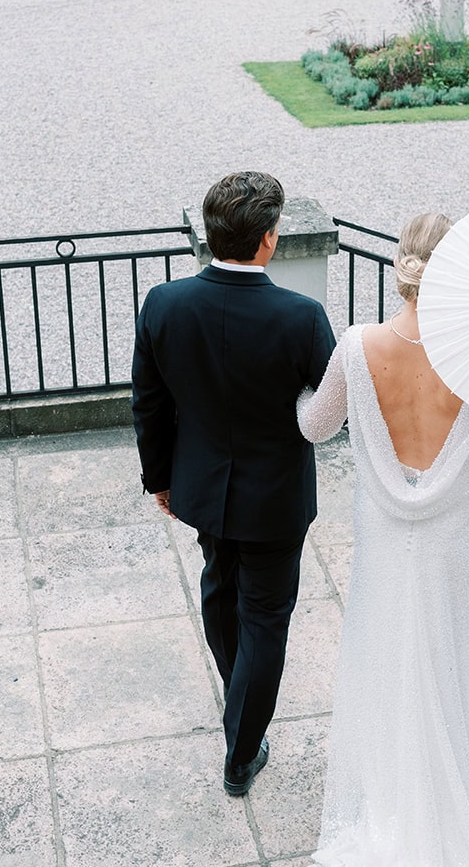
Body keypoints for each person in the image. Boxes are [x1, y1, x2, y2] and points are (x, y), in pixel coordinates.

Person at [297, 211, 469, 867]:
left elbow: (314, 427)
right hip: (456, 537)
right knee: (451, 663)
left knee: (387, 660)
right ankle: (447, 814)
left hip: (385, 533)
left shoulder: (358, 346)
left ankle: (395, 806)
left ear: (402, 264)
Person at [132, 171, 336, 797]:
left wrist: (160, 480)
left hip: (202, 493)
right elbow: (330, 406)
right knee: (266, 619)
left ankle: (238, 697)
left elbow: (148, 404)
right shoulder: (301, 318)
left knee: (220, 592)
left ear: (209, 234)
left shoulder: (164, 304)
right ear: (269, 239)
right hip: (274, 502)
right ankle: (241, 751)